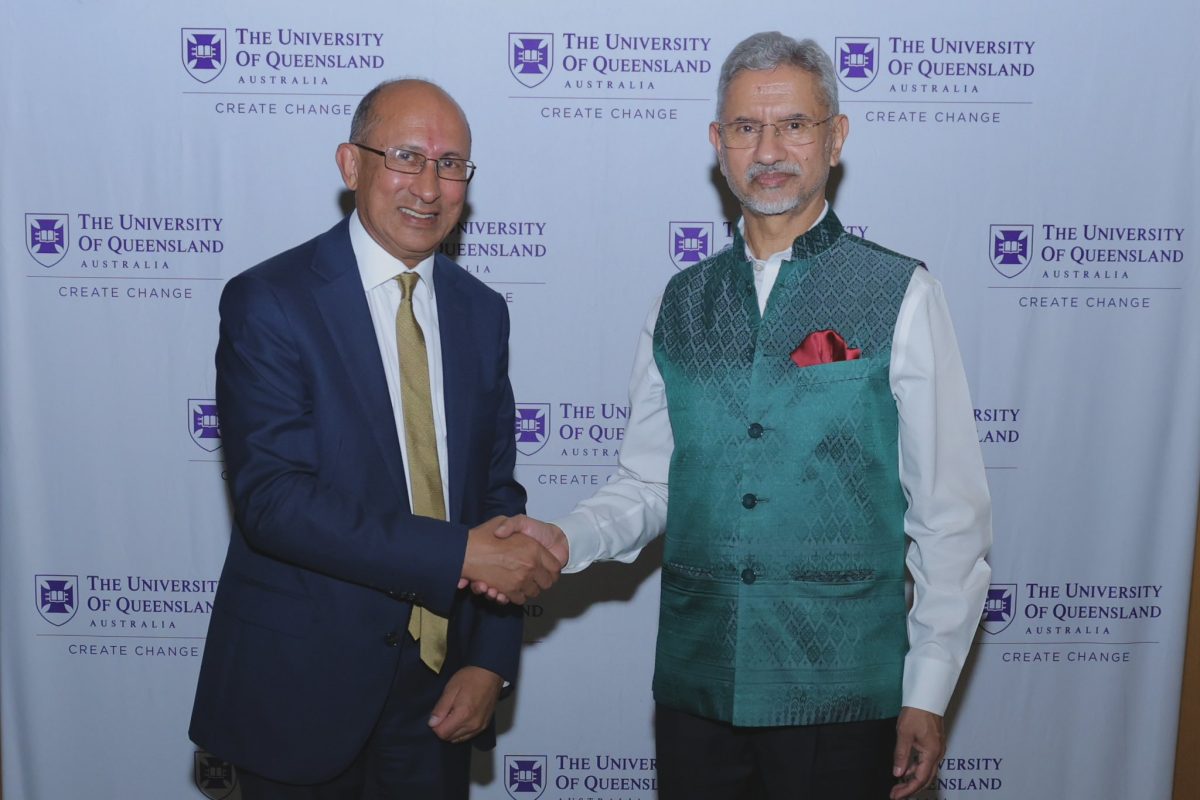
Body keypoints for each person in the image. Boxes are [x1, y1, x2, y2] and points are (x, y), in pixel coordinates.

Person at [484, 32, 992, 800]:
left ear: (836, 136)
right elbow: (649, 484)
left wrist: (926, 685)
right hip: (699, 687)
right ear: (718, 144)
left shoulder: (903, 293)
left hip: (844, 692)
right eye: (747, 128)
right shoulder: (679, 302)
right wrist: (566, 537)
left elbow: (949, 513)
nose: (770, 148)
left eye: (794, 124)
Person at [190, 78, 562, 799]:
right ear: (350, 164)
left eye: (452, 164)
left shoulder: (481, 313)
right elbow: (273, 502)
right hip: (299, 694)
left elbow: (494, 494)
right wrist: (457, 553)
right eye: (405, 156)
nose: (429, 184)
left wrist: (489, 661)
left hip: (436, 701)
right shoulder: (270, 301)